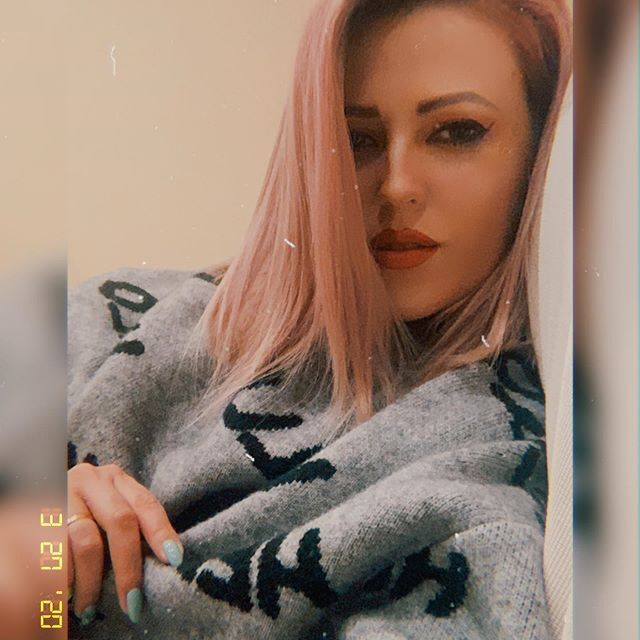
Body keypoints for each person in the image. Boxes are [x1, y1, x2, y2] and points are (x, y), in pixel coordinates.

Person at [67, 0, 572, 638]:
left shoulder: (498, 466)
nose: (397, 185)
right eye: (356, 139)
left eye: (456, 131)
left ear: (538, 152)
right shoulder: (111, 316)